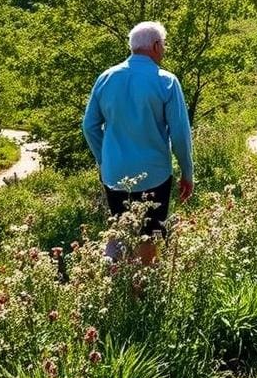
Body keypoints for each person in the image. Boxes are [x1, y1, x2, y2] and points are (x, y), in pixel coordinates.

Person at [82, 21, 194, 265]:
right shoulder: (166, 81)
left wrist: (104, 159)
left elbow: (89, 126)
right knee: (148, 236)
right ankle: (141, 291)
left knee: (120, 229)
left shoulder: (106, 78)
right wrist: (187, 172)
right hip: (154, 175)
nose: (164, 50)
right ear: (155, 45)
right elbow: (180, 136)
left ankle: (111, 277)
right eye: (163, 45)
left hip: (114, 174)